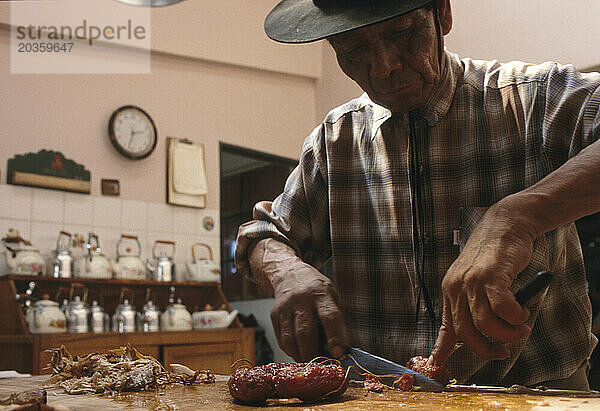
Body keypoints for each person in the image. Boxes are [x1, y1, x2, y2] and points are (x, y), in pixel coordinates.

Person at [235, 0, 600, 389]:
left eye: (401, 33)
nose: (383, 67)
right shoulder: (334, 140)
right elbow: (262, 234)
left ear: (441, 14)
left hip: (540, 392)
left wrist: (518, 216)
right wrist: (286, 271)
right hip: (383, 394)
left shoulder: (534, 99)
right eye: (354, 49)